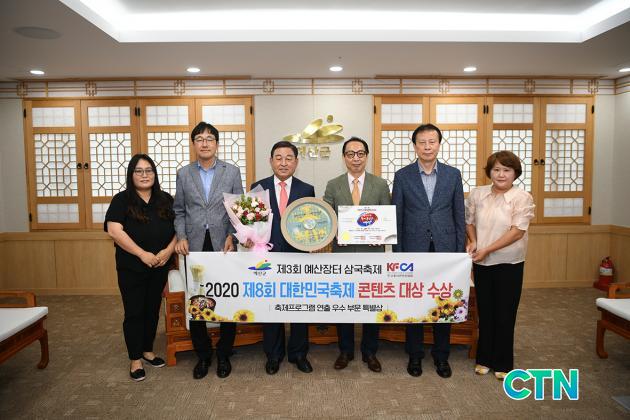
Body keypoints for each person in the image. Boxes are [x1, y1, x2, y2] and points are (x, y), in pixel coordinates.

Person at [392, 123, 465, 378]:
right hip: (413, 249)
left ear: (439, 144)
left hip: (445, 250)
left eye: (431, 142)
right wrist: (399, 254)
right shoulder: (402, 176)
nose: (427, 147)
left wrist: (459, 253)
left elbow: (459, 214)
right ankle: (415, 355)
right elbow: (397, 217)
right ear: (415, 146)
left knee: (444, 303)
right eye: (422, 142)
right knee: (414, 304)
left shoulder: (453, 175)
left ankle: (441, 356)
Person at [173, 121, 243, 379]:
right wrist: (181, 236)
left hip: (223, 244)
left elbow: (239, 210)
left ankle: (224, 353)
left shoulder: (231, 172)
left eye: (209, 139)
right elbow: (179, 211)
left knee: (227, 297)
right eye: (199, 139)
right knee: (197, 300)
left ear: (216, 144)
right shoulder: (184, 173)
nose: (204, 143)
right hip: (194, 245)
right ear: (193, 144)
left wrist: (232, 236)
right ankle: (203, 355)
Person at [105, 153, 176, 382]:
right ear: (131, 174)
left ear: (154, 174)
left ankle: (147, 350)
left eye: (148, 170)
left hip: (160, 265)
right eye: (139, 171)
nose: (144, 175)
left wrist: (168, 251)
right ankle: (135, 358)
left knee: (152, 309)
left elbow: (179, 228)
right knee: (134, 312)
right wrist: (142, 254)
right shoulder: (121, 200)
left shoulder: (165, 199)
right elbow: (114, 231)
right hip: (132, 267)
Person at [465, 151, 535, 380]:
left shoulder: (522, 197)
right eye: (496, 169)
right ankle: (484, 358)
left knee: (505, 313)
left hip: (509, 263)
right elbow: (469, 222)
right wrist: (473, 242)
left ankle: (503, 362)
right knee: (485, 311)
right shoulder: (478, 193)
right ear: (489, 172)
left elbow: (517, 232)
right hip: (482, 262)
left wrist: (487, 249)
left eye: (507, 170)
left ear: (515, 173)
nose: (501, 174)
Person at [323, 136, 391, 373]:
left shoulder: (380, 184)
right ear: (344, 158)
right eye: (350, 154)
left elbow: (386, 217)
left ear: (366, 156)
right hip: (342, 254)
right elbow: (327, 218)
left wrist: (380, 235)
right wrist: (336, 232)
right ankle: (345, 350)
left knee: (371, 304)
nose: (356, 158)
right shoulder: (333, 185)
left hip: (372, 255)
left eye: (360, 153)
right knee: (344, 304)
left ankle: (370, 351)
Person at [250, 140, 316, 375]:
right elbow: (251, 224)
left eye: (289, 158)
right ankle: (273, 354)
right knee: (271, 306)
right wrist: (248, 237)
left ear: (296, 162)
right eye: (278, 158)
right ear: (271, 161)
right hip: (267, 255)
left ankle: (299, 354)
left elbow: (311, 223)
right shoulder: (258, 187)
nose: (283, 163)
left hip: (297, 256)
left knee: (299, 306)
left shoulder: (306, 189)